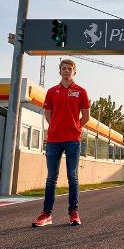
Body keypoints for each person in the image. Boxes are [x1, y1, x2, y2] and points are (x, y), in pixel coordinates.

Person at [32, 59, 90, 227]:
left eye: (69, 69)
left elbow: (85, 116)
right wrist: (56, 127)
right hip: (54, 140)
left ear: (74, 72)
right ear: (60, 71)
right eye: (63, 68)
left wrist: (75, 128)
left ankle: (73, 213)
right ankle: (46, 214)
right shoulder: (51, 91)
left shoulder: (81, 91)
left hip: (73, 140)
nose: (66, 71)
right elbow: (48, 114)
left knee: (73, 176)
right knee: (51, 178)